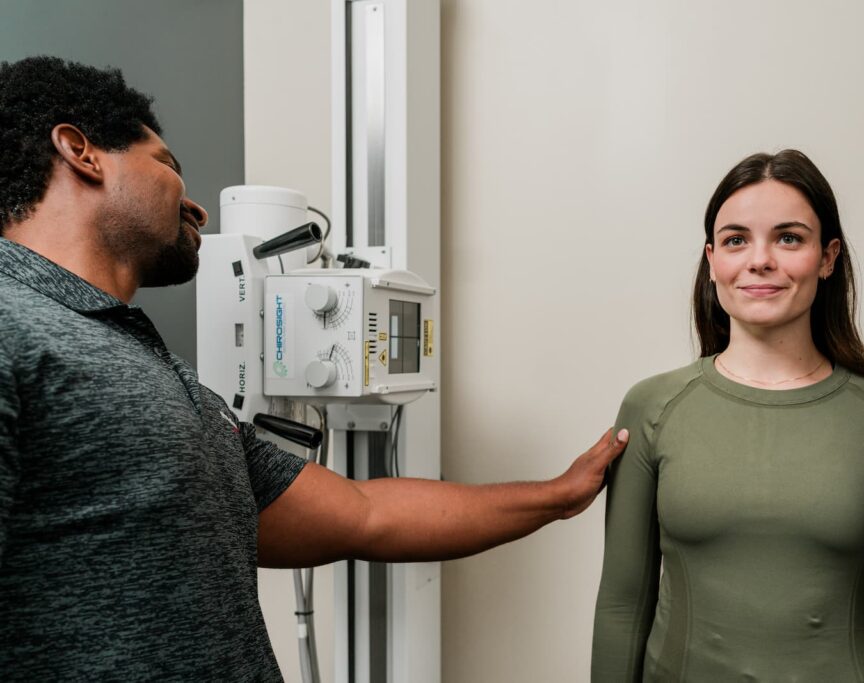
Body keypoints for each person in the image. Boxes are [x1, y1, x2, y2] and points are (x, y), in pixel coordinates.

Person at [0, 56, 628, 680]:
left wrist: (556, 496)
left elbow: (365, 515)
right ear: (81, 152)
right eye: (166, 165)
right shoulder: (14, 325)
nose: (197, 208)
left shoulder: (155, 370)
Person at [591, 150, 864, 681]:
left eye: (788, 238)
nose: (760, 260)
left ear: (827, 258)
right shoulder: (651, 407)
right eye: (737, 240)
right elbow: (622, 606)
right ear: (712, 261)